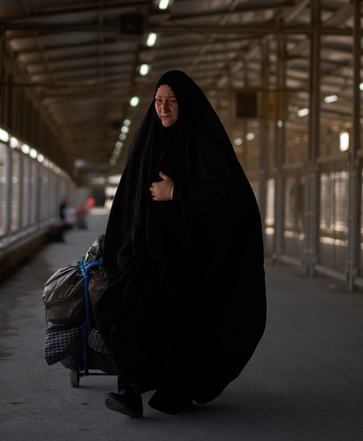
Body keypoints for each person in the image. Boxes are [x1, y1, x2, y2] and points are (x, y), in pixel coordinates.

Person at [94, 70, 267, 417]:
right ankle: (132, 388)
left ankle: (172, 391)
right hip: (146, 253)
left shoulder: (204, 140)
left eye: (171, 101)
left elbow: (228, 195)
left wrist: (178, 193)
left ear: (185, 103)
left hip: (192, 260)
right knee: (126, 313)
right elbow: (128, 195)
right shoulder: (146, 138)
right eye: (158, 100)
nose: (163, 108)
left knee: (180, 329)